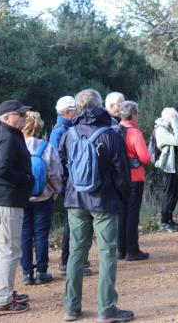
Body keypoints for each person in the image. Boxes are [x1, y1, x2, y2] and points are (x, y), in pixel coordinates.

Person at [58, 89, 133, 322]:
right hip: (104, 201)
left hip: (75, 199)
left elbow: (63, 167)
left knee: (76, 254)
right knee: (107, 254)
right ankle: (107, 308)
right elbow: (122, 174)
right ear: (100, 105)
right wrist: (123, 199)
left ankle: (71, 307)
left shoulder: (68, 134)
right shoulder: (111, 135)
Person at [0, 100, 34, 316]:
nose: (25, 117)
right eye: (21, 114)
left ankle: (3, 293)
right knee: (9, 250)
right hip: (7, 201)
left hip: (5, 201)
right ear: (7, 117)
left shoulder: (9, 133)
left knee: (3, 249)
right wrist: (25, 179)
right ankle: (3, 301)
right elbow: (3, 170)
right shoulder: (7, 137)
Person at [51, 96, 92, 277]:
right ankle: (67, 262)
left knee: (75, 223)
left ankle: (75, 259)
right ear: (68, 112)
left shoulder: (64, 129)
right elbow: (56, 162)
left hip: (71, 183)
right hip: (70, 184)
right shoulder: (61, 131)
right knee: (72, 225)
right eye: (75, 110)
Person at [20, 111, 63, 285]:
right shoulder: (46, 147)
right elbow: (55, 174)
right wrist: (56, 191)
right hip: (43, 197)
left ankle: (26, 273)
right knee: (41, 235)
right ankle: (42, 272)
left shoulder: (16, 146)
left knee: (24, 235)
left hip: (21, 198)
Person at [117, 101, 151, 261]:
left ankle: (121, 249)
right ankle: (133, 250)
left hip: (118, 177)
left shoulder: (114, 130)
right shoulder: (135, 133)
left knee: (122, 212)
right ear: (134, 115)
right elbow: (145, 157)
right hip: (135, 177)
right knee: (132, 213)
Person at [154, 107, 178, 233]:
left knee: (174, 193)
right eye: (174, 118)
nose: (176, 120)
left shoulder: (165, 129)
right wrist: (175, 124)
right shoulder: (161, 130)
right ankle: (164, 222)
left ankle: (169, 219)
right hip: (166, 168)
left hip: (171, 167)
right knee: (168, 194)